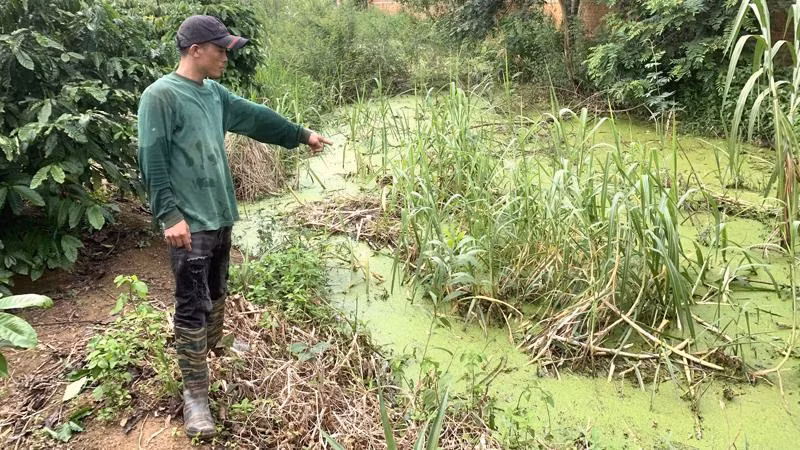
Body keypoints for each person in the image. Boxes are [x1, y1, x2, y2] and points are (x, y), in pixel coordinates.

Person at [136, 15, 332, 439]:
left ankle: (213, 348)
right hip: (190, 220)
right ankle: (195, 396)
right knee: (191, 302)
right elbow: (151, 159)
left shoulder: (214, 94)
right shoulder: (161, 96)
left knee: (218, 286)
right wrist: (169, 215)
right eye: (221, 49)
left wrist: (301, 134)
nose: (227, 56)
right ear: (195, 51)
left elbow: (255, 117)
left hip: (220, 213)